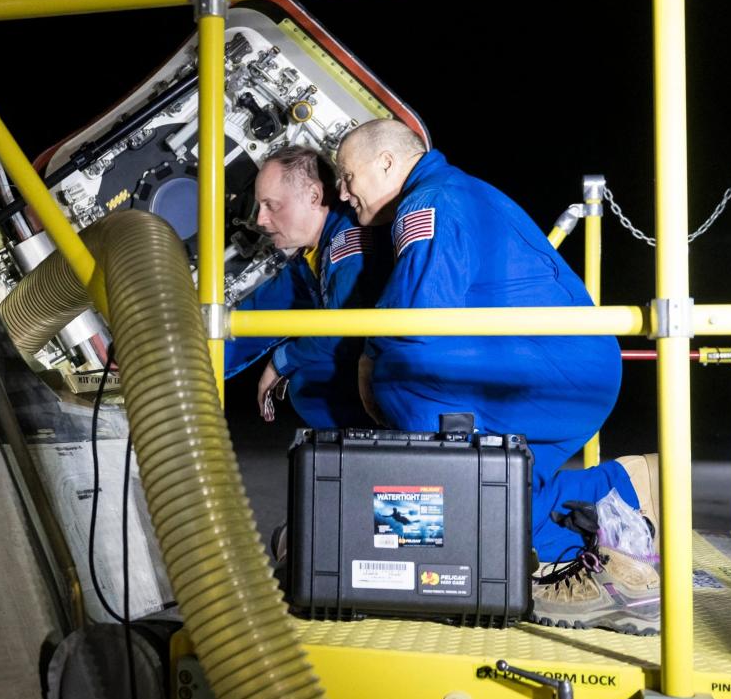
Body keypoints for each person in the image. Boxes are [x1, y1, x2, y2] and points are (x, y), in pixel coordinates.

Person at [336, 119, 660, 634]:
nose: (343, 190)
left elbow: (416, 317)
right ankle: (618, 495)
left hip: (548, 374)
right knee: (504, 500)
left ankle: (613, 562)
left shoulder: (427, 203)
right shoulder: (455, 190)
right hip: (570, 372)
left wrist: (367, 358)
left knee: (400, 375)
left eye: (347, 175)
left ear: (388, 163)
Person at [225, 145, 391, 428]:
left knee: (311, 382)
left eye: (271, 205)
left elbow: (345, 331)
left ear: (314, 196)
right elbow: (250, 324)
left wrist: (281, 360)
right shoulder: (310, 259)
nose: (261, 219)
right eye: (259, 206)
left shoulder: (348, 243)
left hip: (413, 375)